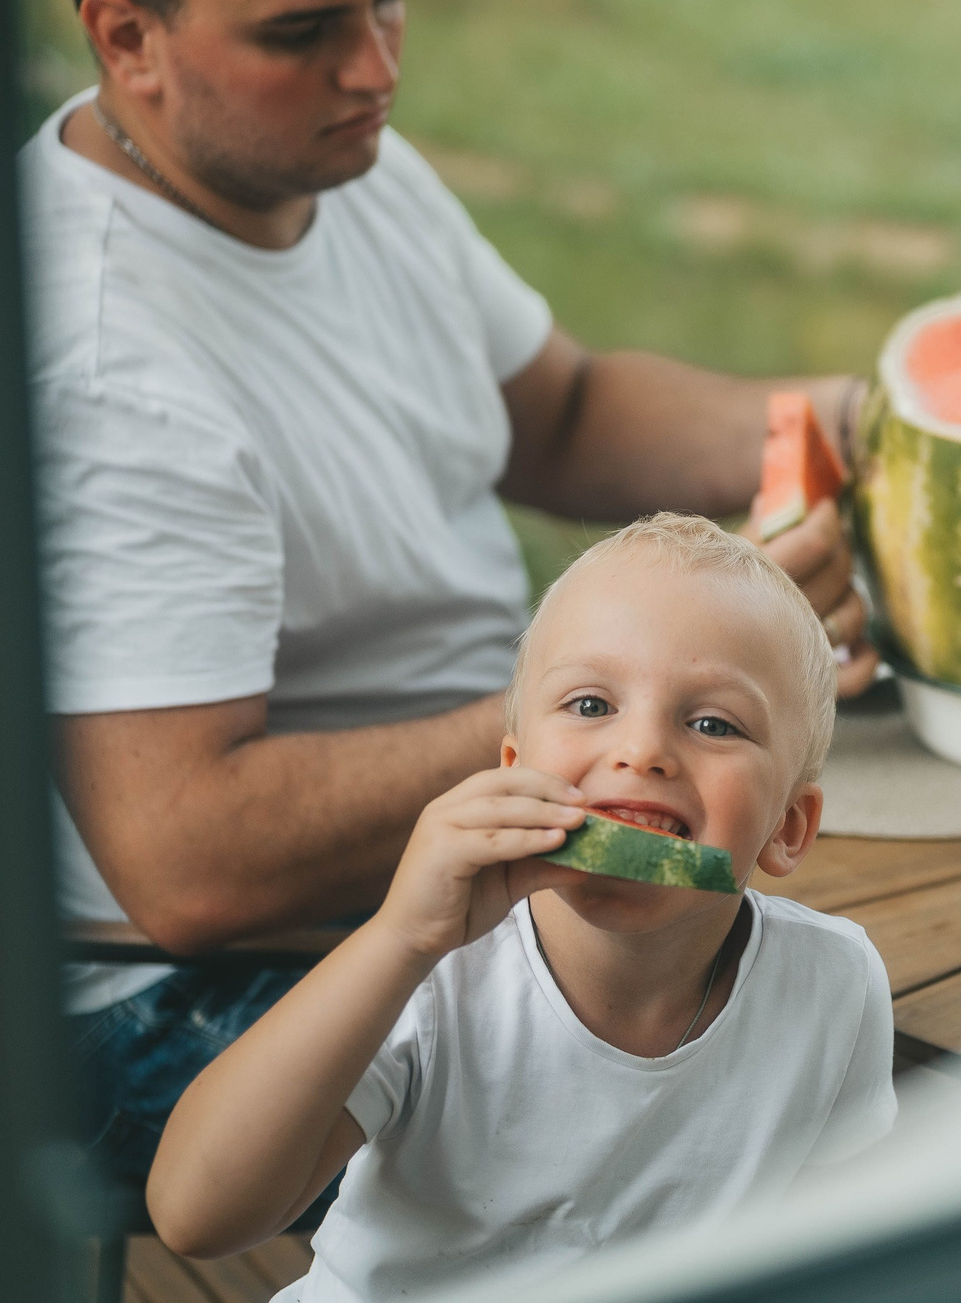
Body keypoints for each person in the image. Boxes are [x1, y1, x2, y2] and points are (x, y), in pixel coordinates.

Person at [27, 0, 879, 1196]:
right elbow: (189, 864)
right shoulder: (107, 363)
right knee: (791, 1024)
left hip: (508, 798)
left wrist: (867, 418)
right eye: (305, 30)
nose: (375, 68)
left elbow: (567, 411)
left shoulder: (330, 158)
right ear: (127, 38)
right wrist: (615, 716)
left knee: (823, 937)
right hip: (189, 984)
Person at [146, 517, 894, 1297]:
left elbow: (853, 1250)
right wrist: (398, 938)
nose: (641, 749)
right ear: (514, 768)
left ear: (789, 826)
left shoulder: (833, 986)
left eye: (713, 723)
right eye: (590, 703)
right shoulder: (433, 975)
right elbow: (197, 1215)